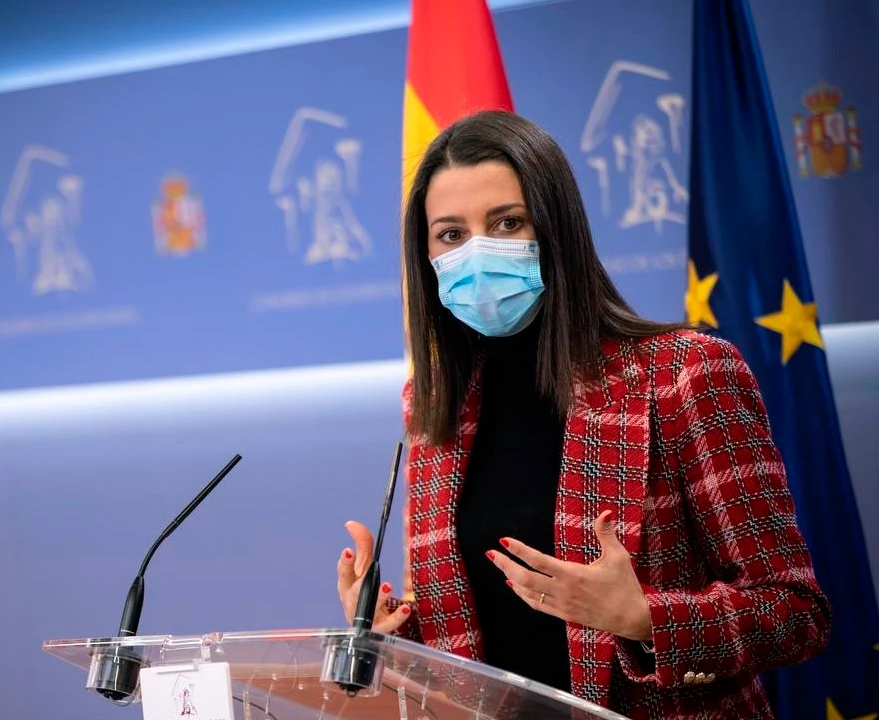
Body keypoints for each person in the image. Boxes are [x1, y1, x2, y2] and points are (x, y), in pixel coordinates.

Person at [335, 111, 830, 719]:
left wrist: (643, 618)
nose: (477, 252)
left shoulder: (684, 373)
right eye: (450, 235)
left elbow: (796, 613)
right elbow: (474, 639)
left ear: (557, 228)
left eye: (507, 223)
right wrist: (389, 629)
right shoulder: (435, 405)